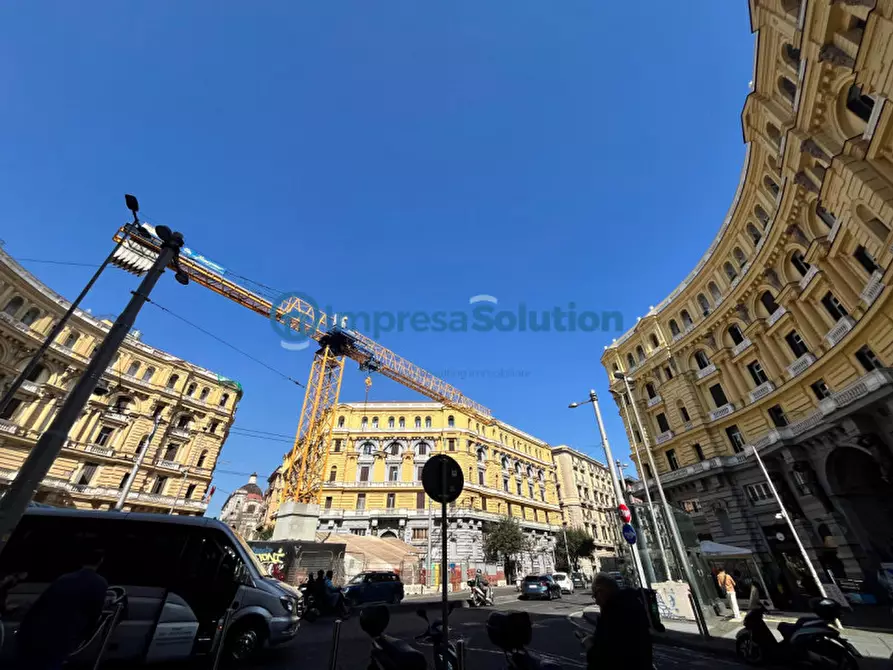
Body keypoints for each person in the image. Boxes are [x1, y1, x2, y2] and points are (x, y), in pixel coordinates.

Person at [14, 548, 108, 670]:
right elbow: (94, 612)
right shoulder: (99, 583)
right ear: (101, 561)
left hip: (37, 629)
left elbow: (42, 603)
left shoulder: (64, 578)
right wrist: (85, 633)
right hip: (62, 634)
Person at [584, 573, 652, 670]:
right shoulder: (634, 605)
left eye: (595, 595)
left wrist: (589, 645)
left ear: (601, 591)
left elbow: (602, 659)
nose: (596, 601)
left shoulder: (612, 614)